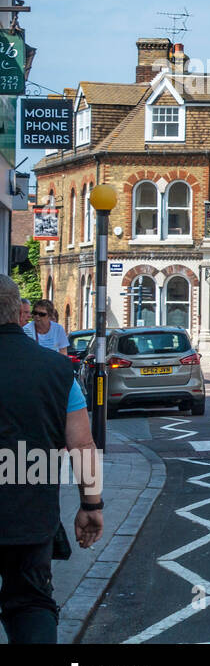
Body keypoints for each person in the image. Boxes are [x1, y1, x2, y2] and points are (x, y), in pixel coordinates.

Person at [0, 275, 103, 644]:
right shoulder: (58, 372)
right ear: (19, 314)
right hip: (29, 514)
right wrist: (91, 504)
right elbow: (82, 445)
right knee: (30, 605)